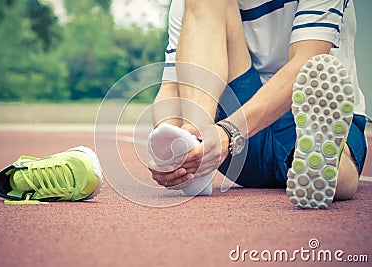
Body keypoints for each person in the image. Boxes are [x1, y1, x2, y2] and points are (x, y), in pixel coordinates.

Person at [149, 0, 367, 209]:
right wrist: (172, 148)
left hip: (304, 110)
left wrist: (229, 132)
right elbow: (171, 87)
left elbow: (307, 62)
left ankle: (323, 164)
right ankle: (198, 147)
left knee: (326, 151)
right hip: (232, 142)